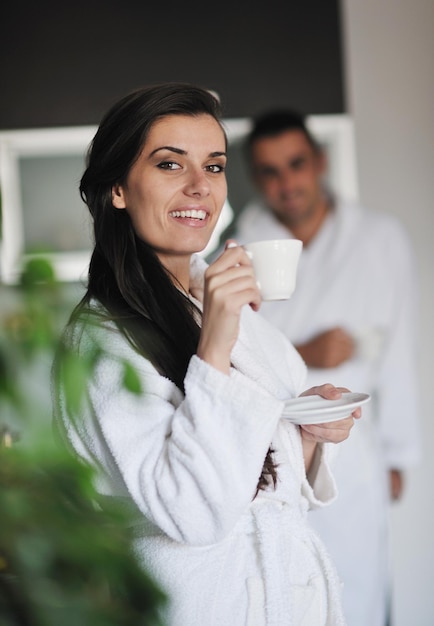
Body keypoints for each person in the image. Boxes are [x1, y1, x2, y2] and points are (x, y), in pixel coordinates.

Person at [51, 84, 363, 626]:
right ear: (118, 188)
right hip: (196, 604)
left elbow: (271, 477)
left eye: (214, 167)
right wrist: (216, 339)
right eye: (171, 165)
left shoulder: (213, 298)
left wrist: (307, 432)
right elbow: (192, 513)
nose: (200, 187)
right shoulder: (102, 341)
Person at [231, 109, 421, 626]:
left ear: (319, 161)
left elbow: (400, 349)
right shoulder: (239, 245)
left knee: (357, 590)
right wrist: (305, 352)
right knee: (282, 598)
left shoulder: (381, 239)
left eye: (295, 164)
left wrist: (399, 453)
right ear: (255, 178)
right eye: (269, 172)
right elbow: (226, 351)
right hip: (270, 454)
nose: (286, 183)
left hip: (355, 453)